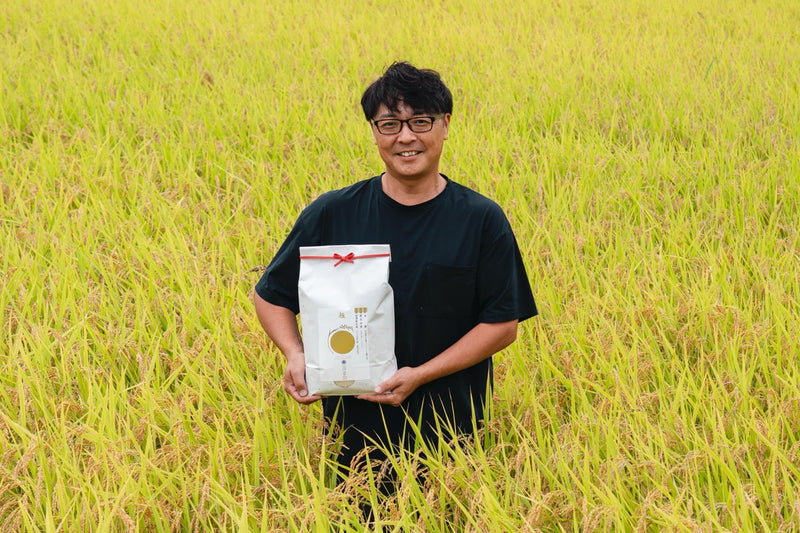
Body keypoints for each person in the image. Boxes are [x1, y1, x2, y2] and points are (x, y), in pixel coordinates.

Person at [253, 61, 537, 482]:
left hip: (452, 436)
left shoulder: (480, 219)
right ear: (374, 131)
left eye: (420, 121)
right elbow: (271, 295)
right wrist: (295, 355)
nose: (406, 137)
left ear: (445, 125)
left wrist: (420, 376)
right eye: (390, 124)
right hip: (353, 442)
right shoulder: (333, 213)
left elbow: (502, 325)